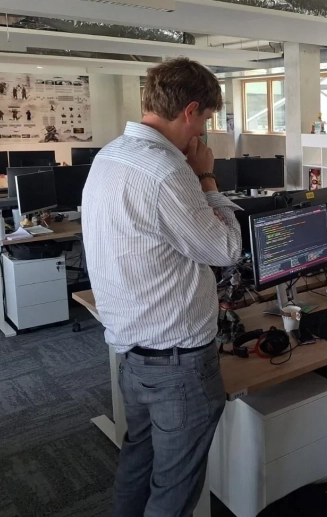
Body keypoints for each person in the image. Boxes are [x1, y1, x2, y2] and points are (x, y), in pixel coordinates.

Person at [82, 57, 243, 517]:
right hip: (177, 362)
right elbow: (227, 248)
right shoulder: (169, 172)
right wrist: (207, 176)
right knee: (174, 487)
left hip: (132, 353)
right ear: (190, 111)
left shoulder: (109, 155)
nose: (203, 133)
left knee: (139, 461)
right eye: (205, 120)